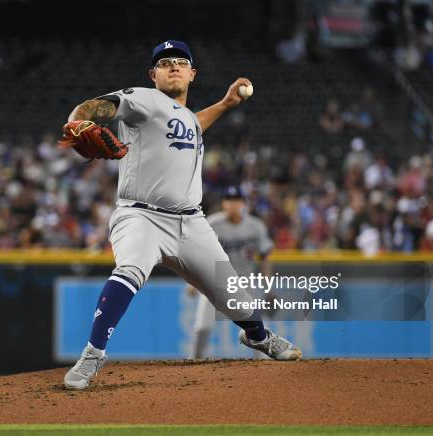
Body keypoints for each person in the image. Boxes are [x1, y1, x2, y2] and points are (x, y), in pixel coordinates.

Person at [62, 40, 301, 390]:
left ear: (192, 74)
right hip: (140, 216)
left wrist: (225, 104)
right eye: (164, 62)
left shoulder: (185, 118)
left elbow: (192, 125)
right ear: (153, 74)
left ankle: (258, 337)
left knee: (236, 300)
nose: (172, 65)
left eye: (180, 61)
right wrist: (77, 122)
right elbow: (94, 107)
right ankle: (93, 354)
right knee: (130, 270)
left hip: (191, 224)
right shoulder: (144, 99)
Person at [187, 186, 274, 359]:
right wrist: (192, 282)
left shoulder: (255, 226)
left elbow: (265, 258)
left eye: (235, 200)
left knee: (258, 330)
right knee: (202, 328)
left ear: (243, 203)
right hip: (215, 280)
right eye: (227, 200)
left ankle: (265, 369)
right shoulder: (213, 223)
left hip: (245, 282)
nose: (231, 204)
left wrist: (269, 288)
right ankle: (193, 364)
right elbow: (196, 252)